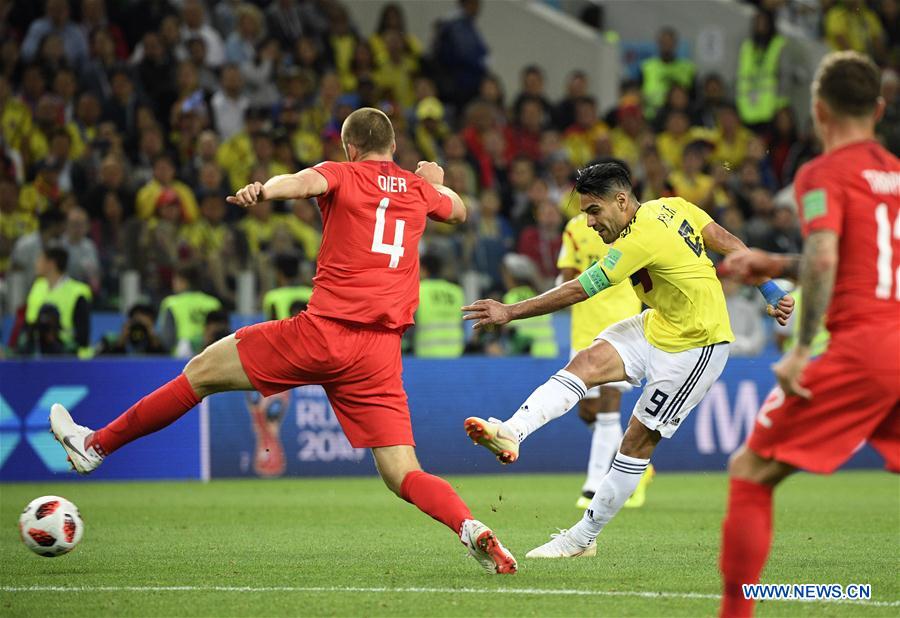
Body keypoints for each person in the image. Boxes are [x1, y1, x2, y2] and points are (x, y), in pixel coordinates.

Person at [49, 107, 517, 575]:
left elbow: (301, 182)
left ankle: (95, 446)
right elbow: (459, 210)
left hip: (322, 333)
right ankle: (469, 526)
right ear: (393, 147)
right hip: (379, 352)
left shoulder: (341, 173)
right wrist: (433, 182)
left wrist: (263, 190)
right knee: (403, 473)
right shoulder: (418, 191)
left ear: (349, 149)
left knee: (201, 374)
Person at [461, 161, 792, 558]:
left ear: (621, 201)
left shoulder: (640, 238)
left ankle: (582, 539)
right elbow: (729, 242)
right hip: (658, 324)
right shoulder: (674, 206)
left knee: (636, 439)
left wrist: (511, 311)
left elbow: (581, 289)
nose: (589, 223)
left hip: (696, 347)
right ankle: (512, 431)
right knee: (584, 364)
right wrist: (770, 291)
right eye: (585, 213)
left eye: (594, 211)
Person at [717, 51, 900, 618]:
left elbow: (825, 258)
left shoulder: (821, 173)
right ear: (879, 107)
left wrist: (800, 350)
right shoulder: (895, 173)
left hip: (864, 348)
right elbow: (856, 257)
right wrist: (773, 262)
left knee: (751, 469)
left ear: (818, 111)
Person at [557, 197, 650, 510]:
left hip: (622, 326)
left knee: (609, 407)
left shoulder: (634, 228)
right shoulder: (574, 229)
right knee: (588, 412)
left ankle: (593, 486)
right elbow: (567, 274)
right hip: (584, 328)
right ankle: (640, 466)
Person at [23, 247, 92, 357]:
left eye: (40, 260)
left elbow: (83, 337)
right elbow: (28, 323)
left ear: (51, 263)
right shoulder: (37, 287)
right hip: (39, 352)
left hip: (71, 357)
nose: (36, 263)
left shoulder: (78, 293)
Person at [414, 253, 465, 358]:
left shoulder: (419, 290)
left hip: (426, 355)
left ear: (423, 269)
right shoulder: (456, 291)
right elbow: (468, 324)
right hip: (455, 354)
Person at [262, 253, 313, 320]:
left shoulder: (272, 297)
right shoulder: (312, 294)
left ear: (279, 274)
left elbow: (269, 325)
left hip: (283, 330)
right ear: (299, 272)